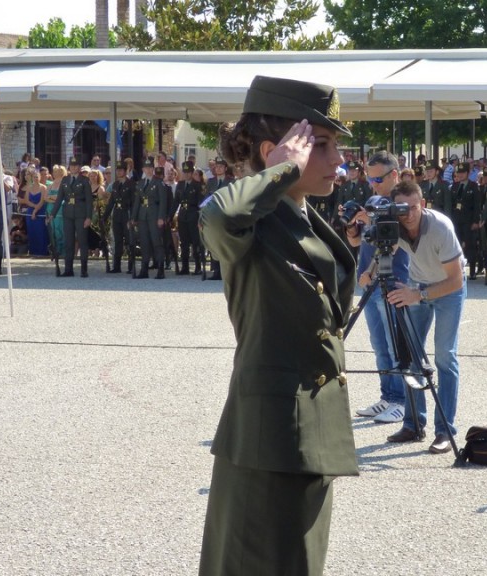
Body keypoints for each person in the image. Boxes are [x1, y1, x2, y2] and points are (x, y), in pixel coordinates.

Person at [197, 76, 357, 576]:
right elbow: (217, 216)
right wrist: (283, 170)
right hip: (269, 444)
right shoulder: (253, 223)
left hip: (310, 436)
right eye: (322, 146)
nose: (339, 161)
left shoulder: (305, 219)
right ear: (276, 151)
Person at [380, 180, 466, 454]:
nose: (409, 214)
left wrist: (418, 295)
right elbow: (383, 249)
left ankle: (444, 431)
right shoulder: (396, 224)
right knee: (410, 357)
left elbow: (456, 281)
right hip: (418, 286)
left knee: (444, 357)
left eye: (414, 207)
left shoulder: (440, 227)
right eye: (402, 208)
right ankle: (414, 424)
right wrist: (370, 269)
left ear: (423, 205)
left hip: (447, 291)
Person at [344, 151, 411, 425]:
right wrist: (352, 225)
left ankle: (402, 401)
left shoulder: (403, 203)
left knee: (396, 344)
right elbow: (359, 243)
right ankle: (387, 395)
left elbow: (394, 241)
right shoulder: (373, 200)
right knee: (379, 344)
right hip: (368, 284)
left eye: (379, 178)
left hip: (392, 280)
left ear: (394, 175)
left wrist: (370, 221)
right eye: (370, 178)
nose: (373, 184)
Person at [51, 159, 93, 277]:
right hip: (68, 213)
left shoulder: (84, 180)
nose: (74, 168)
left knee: (82, 241)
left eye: (76, 166)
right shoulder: (65, 180)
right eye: (72, 166)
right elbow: (59, 198)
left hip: (81, 213)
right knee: (68, 242)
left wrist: (88, 217)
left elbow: (89, 201)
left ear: (79, 167)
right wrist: (52, 214)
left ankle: (84, 269)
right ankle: (68, 269)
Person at [133, 165, 169, 279]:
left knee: (156, 242)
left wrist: (161, 217)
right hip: (143, 216)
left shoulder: (159, 182)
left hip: (154, 215)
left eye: (149, 168)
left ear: (152, 169)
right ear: (143, 169)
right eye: (145, 168)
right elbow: (137, 202)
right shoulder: (141, 183)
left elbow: (163, 201)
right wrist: (133, 217)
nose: (147, 170)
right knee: (144, 243)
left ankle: (160, 269)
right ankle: (144, 269)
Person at [174, 161, 204, 275]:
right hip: (183, 215)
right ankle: (185, 267)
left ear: (192, 173)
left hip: (193, 215)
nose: (186, 175)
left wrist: (200, 218)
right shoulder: (180, 185)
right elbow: (176, 202)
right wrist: (169, 215)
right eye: (185, 172)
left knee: (196, 242)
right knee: (184, 242)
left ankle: (198, 266)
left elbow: (200, 203)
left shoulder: (197, 185)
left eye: (189, 172)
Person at [105, 164, 134, 274]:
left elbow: (134, 202)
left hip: (127, 214)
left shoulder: (131, 184)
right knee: (117, 241)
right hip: (117, 214)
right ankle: (116, 266)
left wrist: (132, 218)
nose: (119, 172)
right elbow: (112, 201)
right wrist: (105, 216)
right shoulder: (115, 184)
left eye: (121, 170)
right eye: (117, 170)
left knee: (129, 241)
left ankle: (131, 266)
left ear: (126, 171)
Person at [20, 166, 48, 257]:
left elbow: (42, 201)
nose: (35, 178)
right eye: (34, 177)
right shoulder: (29, 188)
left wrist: (35, 211)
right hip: (30, 212)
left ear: (40, 177)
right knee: (32, 233)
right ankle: (33, 252)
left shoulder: (43, 187)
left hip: (40, 212)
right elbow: (26, 200)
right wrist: (33, 207)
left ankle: (42, 252)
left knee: (41, 232)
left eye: (37, 177)